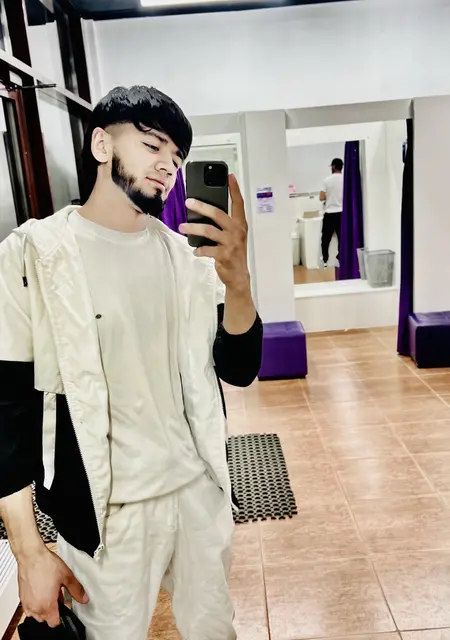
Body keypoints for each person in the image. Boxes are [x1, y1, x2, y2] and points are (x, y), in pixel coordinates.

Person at [0, 85, 263, 640]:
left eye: (177, 156)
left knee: (216, 632)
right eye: (151, 145)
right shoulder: (33, 254)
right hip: (106, 514)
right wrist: (29, 551)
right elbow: (7, 407)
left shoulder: (186, 259)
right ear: (101, 144)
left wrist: (238, 281)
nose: (168, 165)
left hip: (196, 492)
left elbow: (239, 368)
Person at [319, 157, 344, 267]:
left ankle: (325, 260)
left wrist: (329, 196)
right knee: (342, 238)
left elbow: (321, 197)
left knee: (325, 239)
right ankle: (340, 258)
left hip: (330, 213)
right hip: (342, 213)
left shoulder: (327, 180)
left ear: (333, 166)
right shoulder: (345, 179)